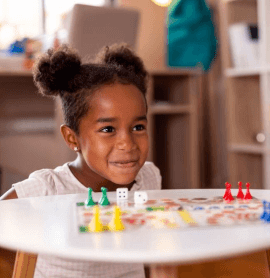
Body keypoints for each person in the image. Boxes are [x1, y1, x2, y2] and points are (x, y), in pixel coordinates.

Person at [0, 43, 161, 278]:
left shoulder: (149, 177)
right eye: (108, 129)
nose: (128, 143)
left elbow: (148, 248)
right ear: (72, 138)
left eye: (138, 127)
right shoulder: (47, 188)